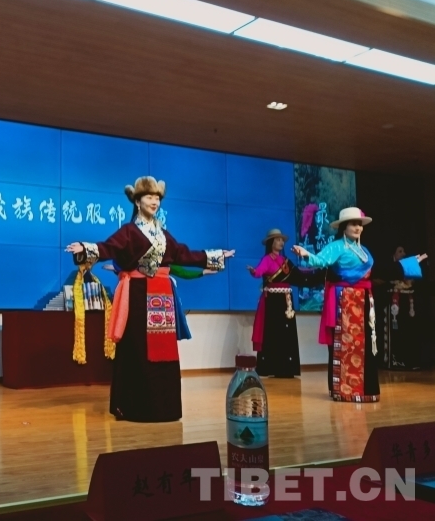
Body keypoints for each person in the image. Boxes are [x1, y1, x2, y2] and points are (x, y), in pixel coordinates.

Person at [66, 176, 234, 423]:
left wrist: (216, 255)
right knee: (138, 348)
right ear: (137, 201)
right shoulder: (129, 232)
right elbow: (108, 248)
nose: (154, 202)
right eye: (149, 197)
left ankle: (165, 407)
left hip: (162, 295)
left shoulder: (163, 235)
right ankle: (135, 407)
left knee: (164, 349)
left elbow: (184, 254)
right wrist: (86, 248)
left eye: (157, 198)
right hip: (137, 295)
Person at [292, 207, 426, 402]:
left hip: (363, 301)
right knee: (347, 345)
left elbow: (380, 272)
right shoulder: (337, 246)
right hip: (345, 302)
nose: (358, 228)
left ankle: (365, 389)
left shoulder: (364, 250)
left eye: (360, 225)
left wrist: (409, 264)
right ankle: (345, 389)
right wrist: (306, 254)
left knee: (365, 345)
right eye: (354, 224)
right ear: (344, 227)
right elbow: (320, 261)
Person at [248, 228, 324, 378]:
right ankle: (271, 368)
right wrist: (253, 272)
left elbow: (300, 276)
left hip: (286, 300)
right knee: (274, 332)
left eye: (282, 240)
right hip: (273, 302)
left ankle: (287, 368)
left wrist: (320, 273)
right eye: (278, 240)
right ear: (271, 243)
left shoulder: (286, 261)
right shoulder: (267, 259)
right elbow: (259, 271)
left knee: (287, 332)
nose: (281, 242)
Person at [375, 245, 428, 370]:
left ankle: (409, 361)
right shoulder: (387, 270)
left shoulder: (411, 270)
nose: (403, 254)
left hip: (407, 307)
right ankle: (391, 360)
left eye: (404, 251)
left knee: (408, 332)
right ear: (393, 255)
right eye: (400, 251)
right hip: (390, 307)